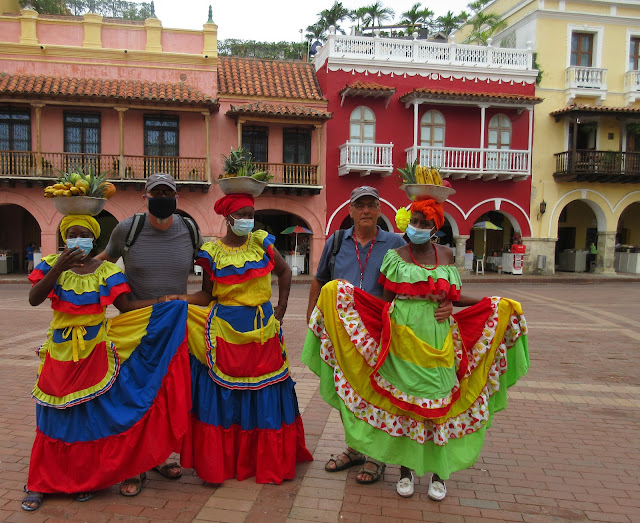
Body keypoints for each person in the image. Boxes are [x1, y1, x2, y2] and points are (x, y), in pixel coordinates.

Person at [302, 196, 529, 501]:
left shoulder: (446, 255)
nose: (418, 227)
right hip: (402, 337)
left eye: (425, 223)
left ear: (436, 227)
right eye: (415, 221)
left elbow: (454, 295)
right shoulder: (395, 256)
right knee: (406, 404)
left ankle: (439, 474)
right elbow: (384, 302)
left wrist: (487, 303)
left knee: (439, 401)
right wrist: (345, 302)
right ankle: (405, 472)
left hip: (438, 336)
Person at [22, 215, 192, 511]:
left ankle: (81, 480)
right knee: (51, 418)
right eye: (72, 234)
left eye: (84, 235)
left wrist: (165, 302)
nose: (78, 240)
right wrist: (59, 267)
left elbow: (126, 306)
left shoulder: (108, 271)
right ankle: (39, 482)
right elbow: (34, 298)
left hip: (94, 352)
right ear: (64, 239)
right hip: (59, 353)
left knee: (85, 418)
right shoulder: (50, 264)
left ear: (94, 239)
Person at [306, 186, 452, 484]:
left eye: (371, 205)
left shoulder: (397, 243)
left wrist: (445, 300)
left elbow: (426, 276)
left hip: (383, 329)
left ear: (379, 210)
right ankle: (355, 448)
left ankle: (377, 456)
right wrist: (313, 319)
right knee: (348, 390)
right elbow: (319, 280)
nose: (366, 211)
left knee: (379, 393)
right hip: (344, 330)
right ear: (350, 211)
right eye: (360, 205)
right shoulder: (337, 241)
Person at [167, 192, 313, 484]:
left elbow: (285, 272)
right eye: (242, 215)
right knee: (226, 391)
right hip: (225, 329)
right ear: (228, 218)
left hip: (262, 330)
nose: (247, 220)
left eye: (251, 215)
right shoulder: (212, 252)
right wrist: (181, 300)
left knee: (265, 388)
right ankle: (227, 460)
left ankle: (264, 459)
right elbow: (207, 294)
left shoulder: (261, 242)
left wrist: (282, 307)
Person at [96, 172, 201, 494]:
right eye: (157, 193)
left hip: (174, 328)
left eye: (168, 192)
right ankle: (134, 467)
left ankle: (158, 456)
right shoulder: (128, 229)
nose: (162, 198)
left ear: (177, 196)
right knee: (135, 396)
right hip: (136, 328)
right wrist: (70, 270)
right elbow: (104, 263)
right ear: (146, 197)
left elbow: (214, 269)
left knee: (167, 394)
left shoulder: (189, 229)